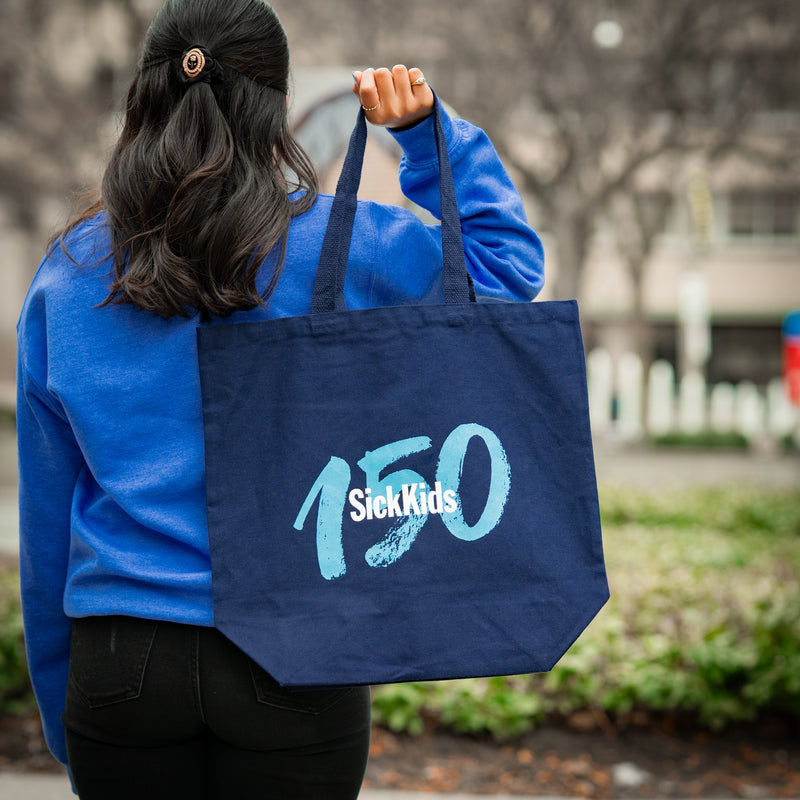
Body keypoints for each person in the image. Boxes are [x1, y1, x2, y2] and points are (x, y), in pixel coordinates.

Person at [16, 0, 544, 797]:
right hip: (297, 641)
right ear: (276, 103)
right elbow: (505, 274)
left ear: (144, 94)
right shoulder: (347, 244)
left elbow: (47, 516)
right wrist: (427, 136)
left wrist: (66, 704)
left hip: (122, 658)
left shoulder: (68, 272)